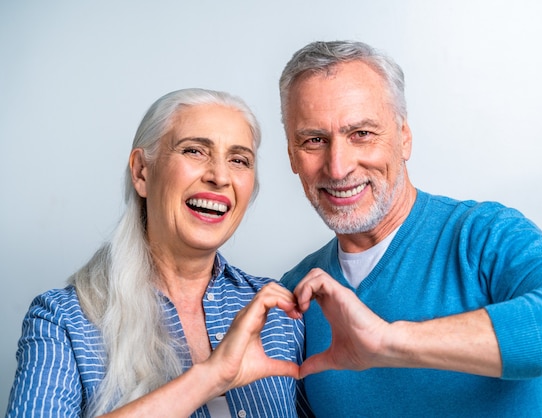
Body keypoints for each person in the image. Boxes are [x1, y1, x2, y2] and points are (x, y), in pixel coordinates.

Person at [278, 40, 542, 417]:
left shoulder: (481, 236)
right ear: (292, 156)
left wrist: (390, 342)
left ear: (404, 138)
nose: (338, 166)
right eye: (314, 140)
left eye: (361, 133)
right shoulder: (295, 293)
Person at [6, 88, 312, 418]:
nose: (220, 176)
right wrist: (210, 376)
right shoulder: (63, 321)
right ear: (141, 172)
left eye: (239, 160)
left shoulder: (280, 315)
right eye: (195, 151)